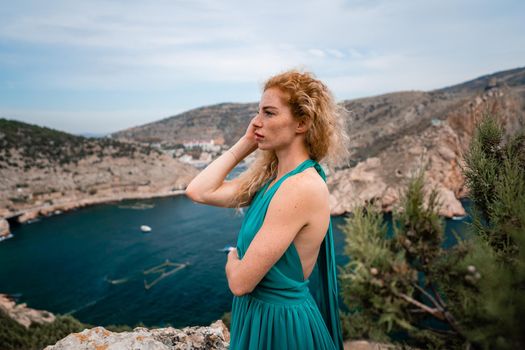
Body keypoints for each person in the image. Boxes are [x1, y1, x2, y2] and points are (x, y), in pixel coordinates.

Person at [185, 69, 349, 349]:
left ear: (302, 123)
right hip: (260, 316)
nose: (256, 122)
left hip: (281, 327)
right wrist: (247, 143)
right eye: (257, 112)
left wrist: (232, 260)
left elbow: (240, 283)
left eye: (269, 113)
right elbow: (199, 191)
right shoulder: (271, 179)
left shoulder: (299, 187)